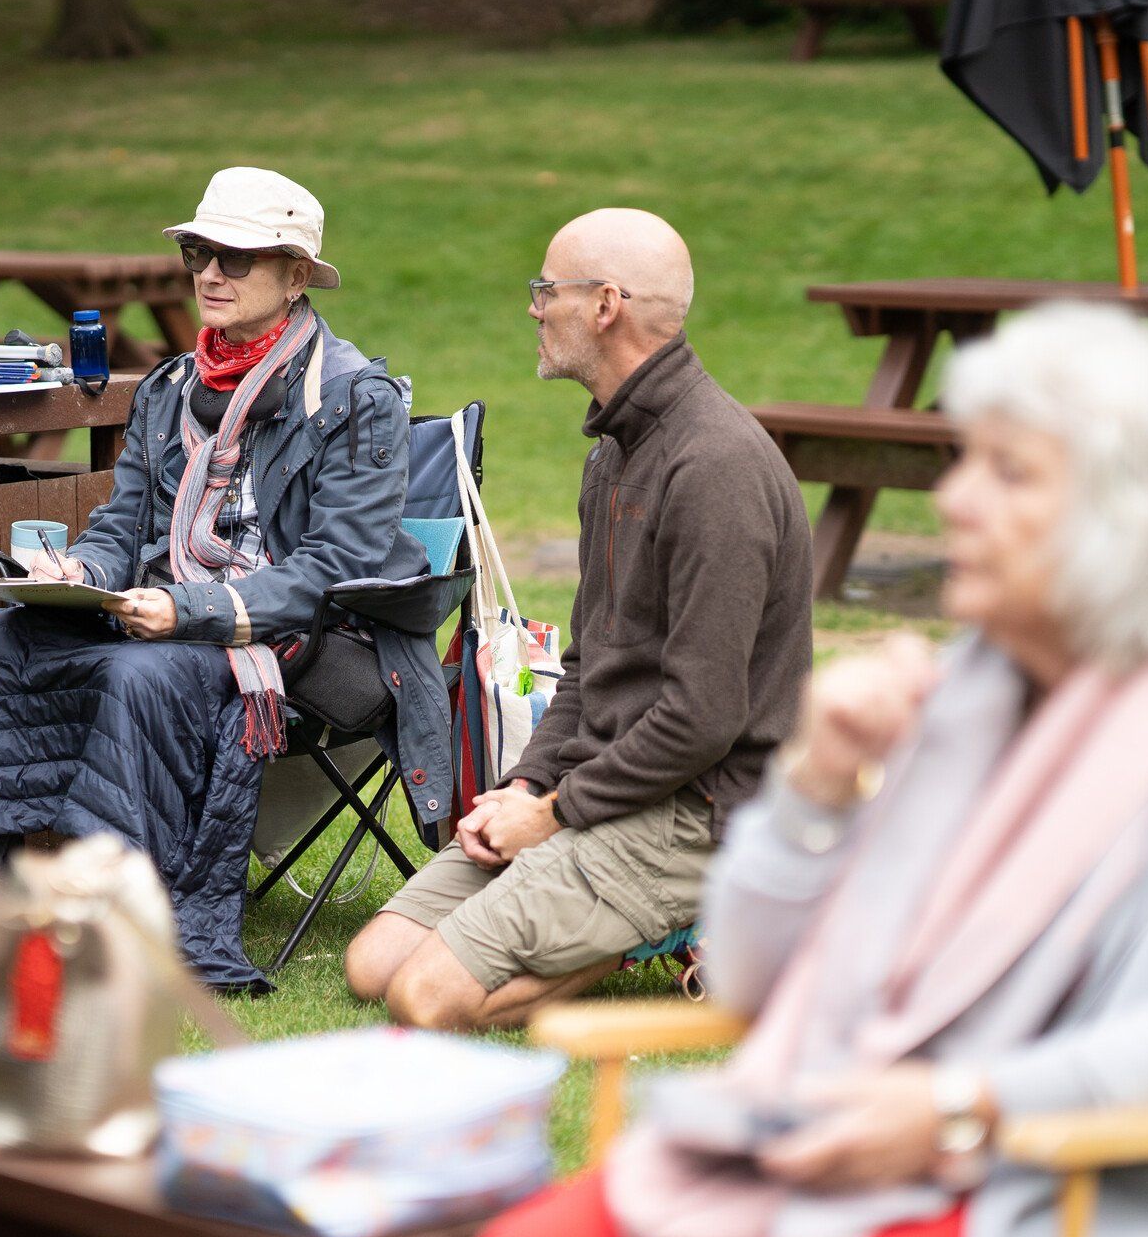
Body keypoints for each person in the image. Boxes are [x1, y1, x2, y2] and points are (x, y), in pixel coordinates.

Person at [461, 304, 1148, 1237]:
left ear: (1141, 517)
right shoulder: (975, 692)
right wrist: (812, 794)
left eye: (1009, 473)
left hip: (1064, 1201)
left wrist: (966, 1105)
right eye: (967, 462)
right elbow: (761, 976)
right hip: (858, 1156)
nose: (953, 501)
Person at [0, 167, 450, 992]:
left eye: (236, 258)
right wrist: (76, 573)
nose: (210, 272)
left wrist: (191, 606)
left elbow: (336, 565)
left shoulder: (356, 397)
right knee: (5, 637)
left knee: (145, 673)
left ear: (295, 276)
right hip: (166, 613)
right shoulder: (168, 389)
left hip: (310, 641)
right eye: (200, 252)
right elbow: (121, 528)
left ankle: (128, 924)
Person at [345, 208, 812, 1031]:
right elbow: (593, 667)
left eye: (545, 290)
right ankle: (610, 916)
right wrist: (524, 786)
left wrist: (554, 815)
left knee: (423, 999)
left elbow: (703, 718)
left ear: (605, 305)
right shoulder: (614, 455)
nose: (532, 308)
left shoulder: (716, 470)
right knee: (372, 966)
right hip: (602, 787)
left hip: (696, 811)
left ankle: (659, 924)